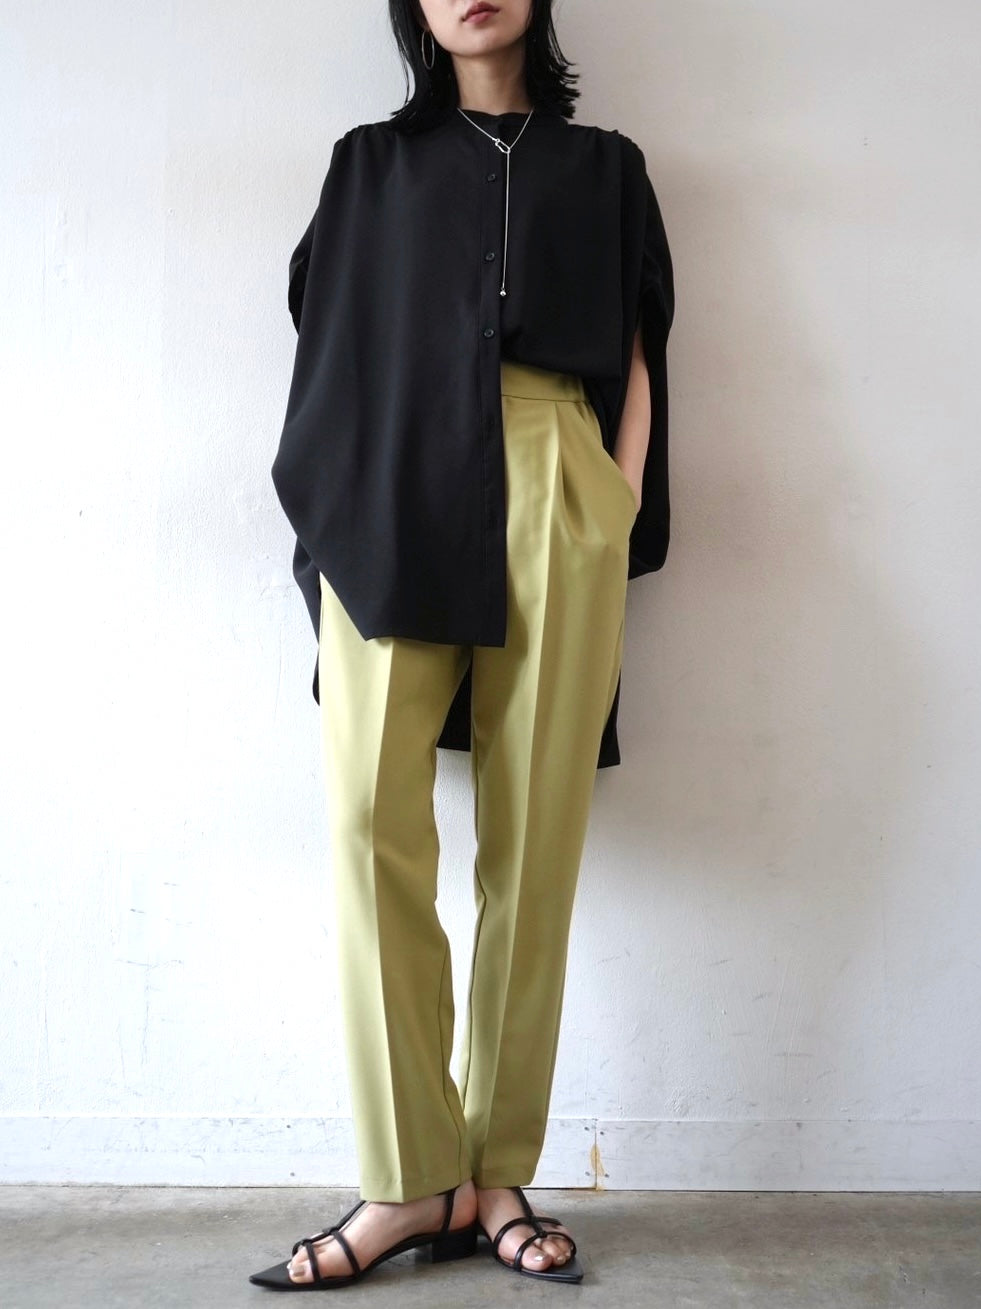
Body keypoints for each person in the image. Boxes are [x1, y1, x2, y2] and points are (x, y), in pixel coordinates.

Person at [249, 0, 674, 1292]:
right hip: (392, 479)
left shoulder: (606, 167)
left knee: (533, 843)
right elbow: (327, 335)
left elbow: (640, 344)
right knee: (366, 821)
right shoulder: (369, 164)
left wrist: (610, 500)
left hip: (556, 479)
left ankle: (495, 1173)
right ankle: (408, 1176)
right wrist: (336, 509)